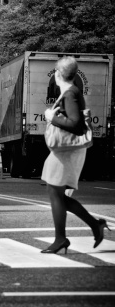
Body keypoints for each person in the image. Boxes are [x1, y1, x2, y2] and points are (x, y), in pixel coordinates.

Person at [41, 56, 110, 254]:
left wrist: (51, 118)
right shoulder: (70, 92)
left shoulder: (70, 94)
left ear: (57, 74)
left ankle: (61, 238)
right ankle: (93, 226)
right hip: (66, 150)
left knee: (55, 193)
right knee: (56, 194)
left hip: (68, 151)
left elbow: (76, 125)